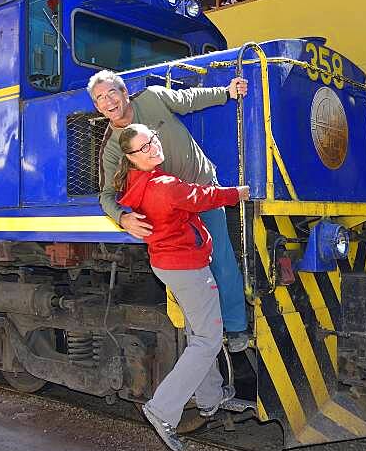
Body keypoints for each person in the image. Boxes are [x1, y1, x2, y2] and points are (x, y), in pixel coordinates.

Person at [89, 69, 250, 351]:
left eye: (112, 92)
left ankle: (236, 327)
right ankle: (204, 334)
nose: (108, 101)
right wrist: (122, 217)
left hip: (201, 189)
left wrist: (226, 92)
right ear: (97, 107)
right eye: (99, 98)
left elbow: (189, 99)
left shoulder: (152, 97)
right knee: (189, 271)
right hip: (172, 211)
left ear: (125, 92)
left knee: (221, 258)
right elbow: (105, 195)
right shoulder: (111, 147)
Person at [116, 123, 249, 451]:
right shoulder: (162, 186)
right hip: (187, 267)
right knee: (207, 339)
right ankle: (161, 410)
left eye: (153, 141)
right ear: (131, 156)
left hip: (168, 263)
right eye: (143, 147)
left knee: (197, 334)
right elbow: (202, 196)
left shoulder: (140, 182)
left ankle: (211, 398)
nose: (153, 148)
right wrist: (238, 193)